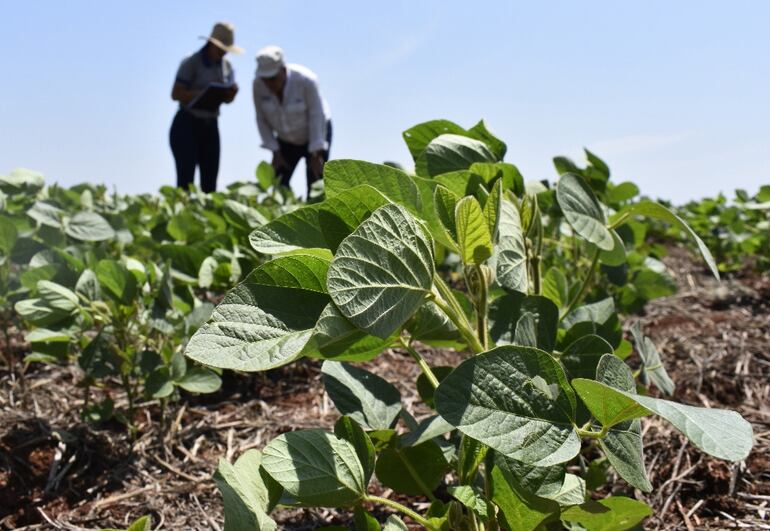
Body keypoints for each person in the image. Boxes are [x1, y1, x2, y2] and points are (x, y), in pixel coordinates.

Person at [169, 22, 242, 193]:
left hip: (210, 125)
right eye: (220, 49)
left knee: (210, 185)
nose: (223, 53)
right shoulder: (191, 62)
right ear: (211, 43)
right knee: (185, 183)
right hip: (187, 124)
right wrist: (203, 92)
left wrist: (230, 94)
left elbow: (226, 100)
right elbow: (175, 93)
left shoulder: (227, 66)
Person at [252, 46, 332, 192]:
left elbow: (316, 115)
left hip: (315, 133)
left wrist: (316, 153)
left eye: (272, 78)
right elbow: (261, 119)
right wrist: (275, 151)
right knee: (278, 184)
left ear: (283, 69)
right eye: (265, 80)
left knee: (316, 184)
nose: (269, 84)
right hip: (285, 139)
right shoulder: (258, 85)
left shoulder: (306, 80)